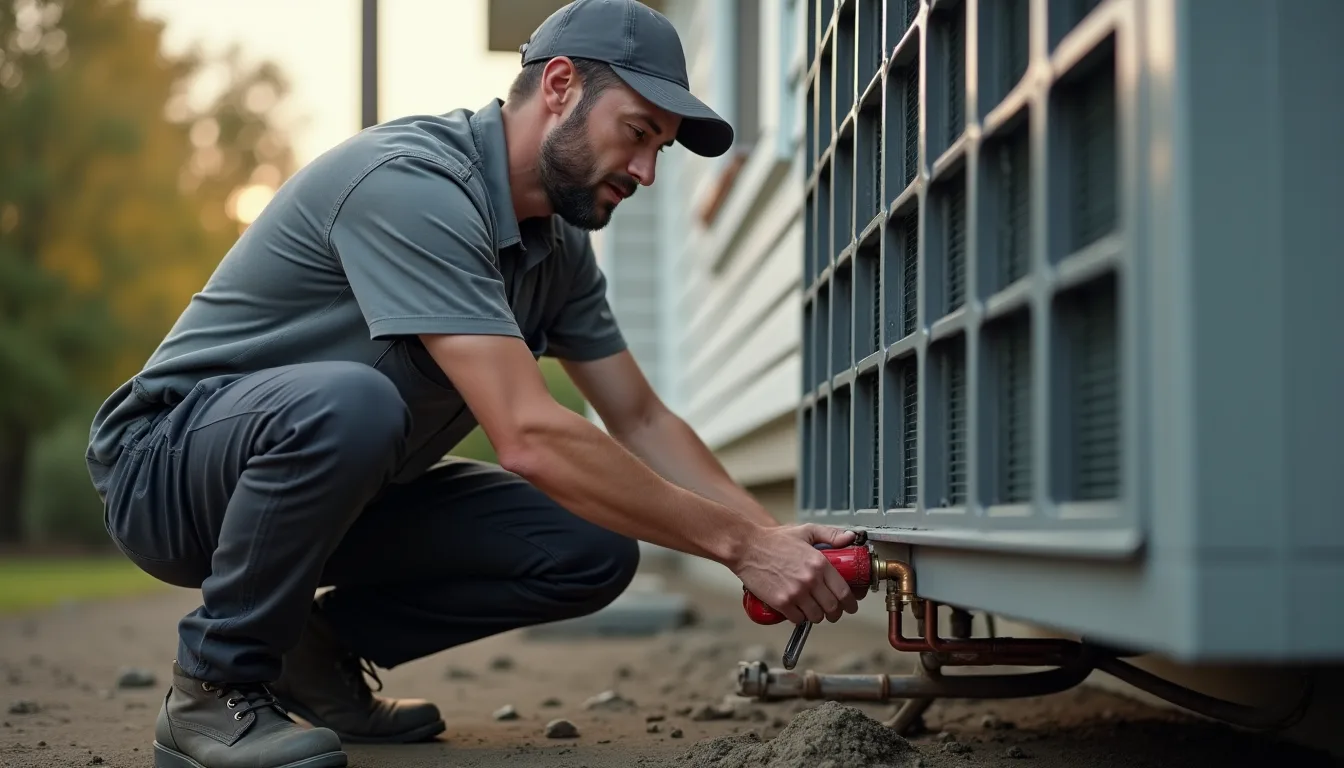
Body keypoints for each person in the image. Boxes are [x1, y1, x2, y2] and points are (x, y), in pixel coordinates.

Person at [85, 1, 861, 766]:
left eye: (661, 149)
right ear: (559, 86)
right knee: (354, 404)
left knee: (590, 547)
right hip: (168, 472)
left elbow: (642, 419)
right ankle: (211, 690)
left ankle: (313, 656)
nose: (648, 172)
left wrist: (768, 538)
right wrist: (738, 548)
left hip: (335, 491)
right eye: (637, 134)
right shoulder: (415, 185)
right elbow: (526, 437)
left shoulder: (555, 251)